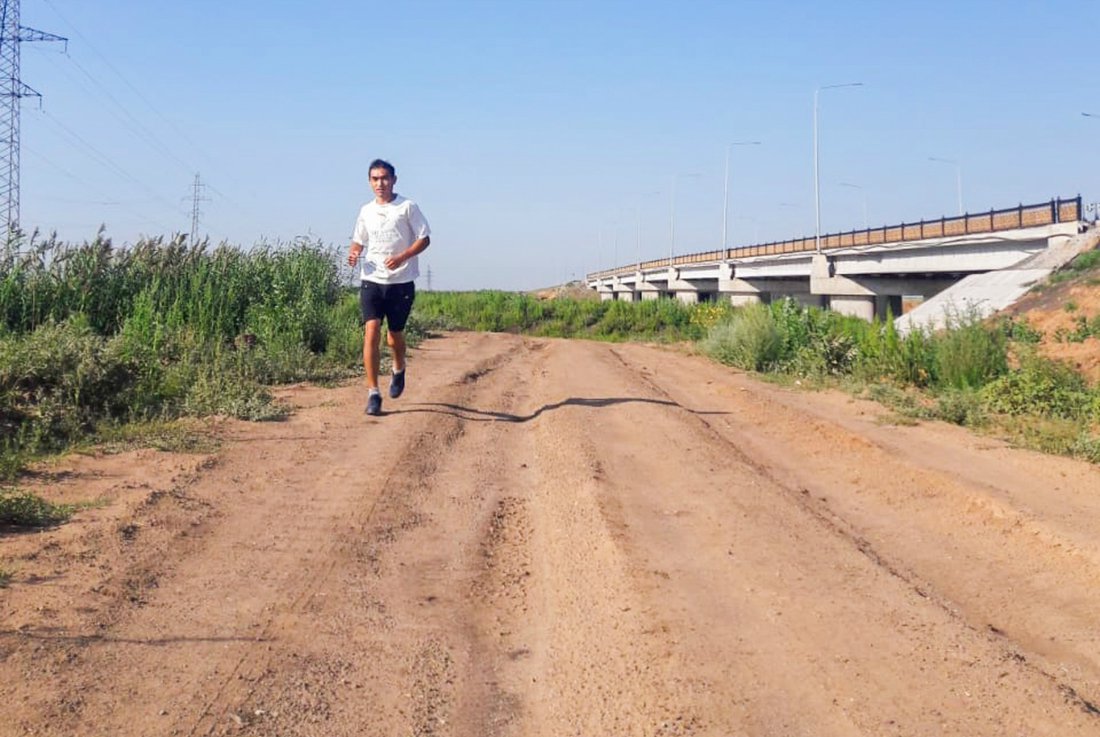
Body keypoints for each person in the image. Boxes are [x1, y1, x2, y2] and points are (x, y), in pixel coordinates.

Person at [346, 159, 431, 416]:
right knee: (371, 332)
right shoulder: (366, 211)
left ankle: (398, 368)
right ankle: (373, 393)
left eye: (384, 178)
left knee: (394, 336)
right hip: (372, 279)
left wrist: (403, 257)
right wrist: (354, 253)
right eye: (375, 179)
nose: (380, 183)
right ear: (369, 182)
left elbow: (424, 238)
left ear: (394, 180)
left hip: (400, 282)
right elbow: (358, 241)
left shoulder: (407, 207)